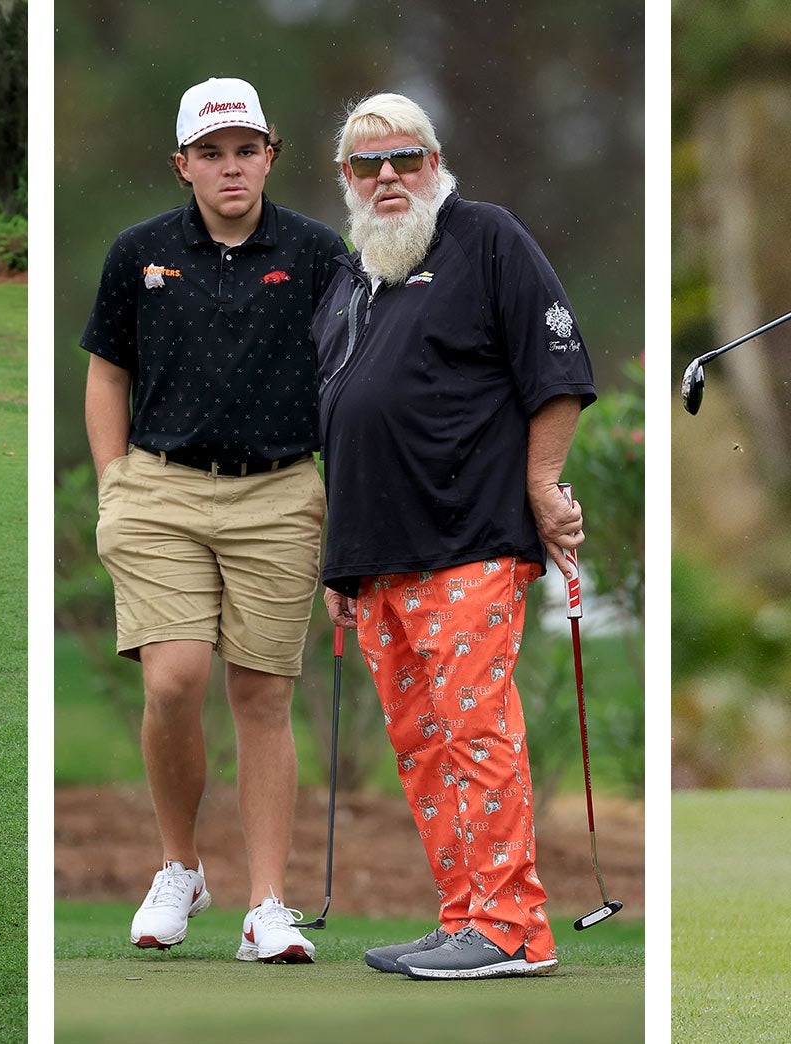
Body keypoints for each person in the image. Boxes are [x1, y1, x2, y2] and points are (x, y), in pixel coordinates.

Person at [315, 93, 597, 980]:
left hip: (467, 539)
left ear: (436, 164)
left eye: (408, 159)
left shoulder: (488, 238)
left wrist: (543, 483)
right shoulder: (354, 272)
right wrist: (340, 558)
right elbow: (343, 416)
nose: (390, 177)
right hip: (377, 557)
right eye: (370, 166)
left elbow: (555, 371)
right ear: (347, 181)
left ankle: (513, 928)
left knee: (478, 734)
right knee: (423, 745)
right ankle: (464, 916)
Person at [81, 77, 346, 963]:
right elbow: (107, 375)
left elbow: (349, 383)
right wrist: (115, 482)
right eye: (212, 153)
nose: (230, 168)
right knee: (174, 681)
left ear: (270, 155)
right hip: (160, 489)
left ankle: (268, 904)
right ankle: (180, 866)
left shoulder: (317, 252)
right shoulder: (140, 251)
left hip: (278, 492)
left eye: (246, 150)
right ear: (183, 164)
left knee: (264, 697)